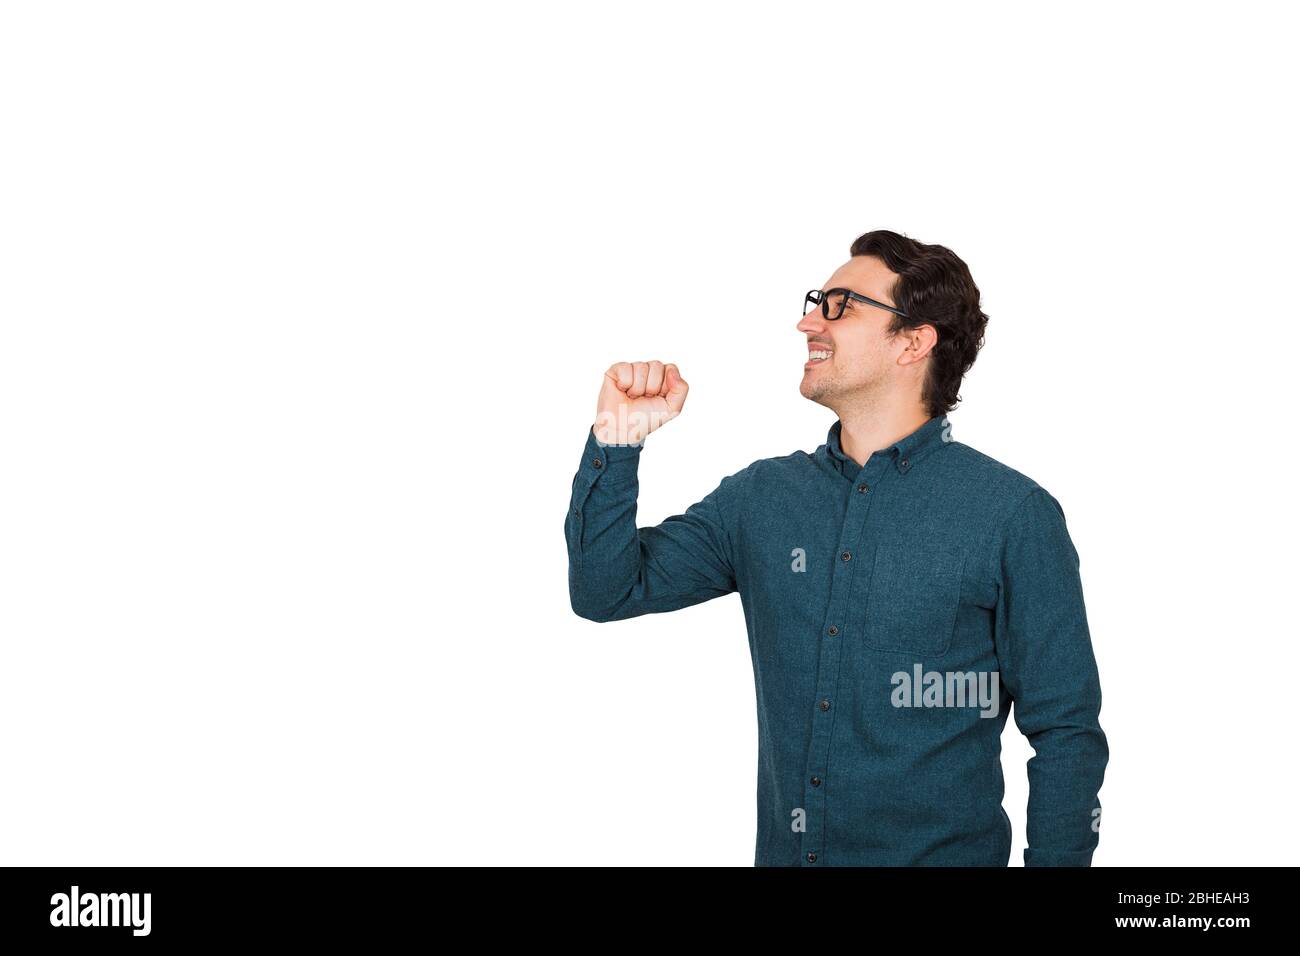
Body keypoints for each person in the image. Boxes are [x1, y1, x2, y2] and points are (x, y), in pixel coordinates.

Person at [564, 229, 1108, 866]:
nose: (806, 322)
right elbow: (605, 591)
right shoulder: (761, 499)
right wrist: (619, 435)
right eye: (815, 301)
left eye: (839, 305)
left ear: (914, 340)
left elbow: (1065, 731)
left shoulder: (1013, 514)